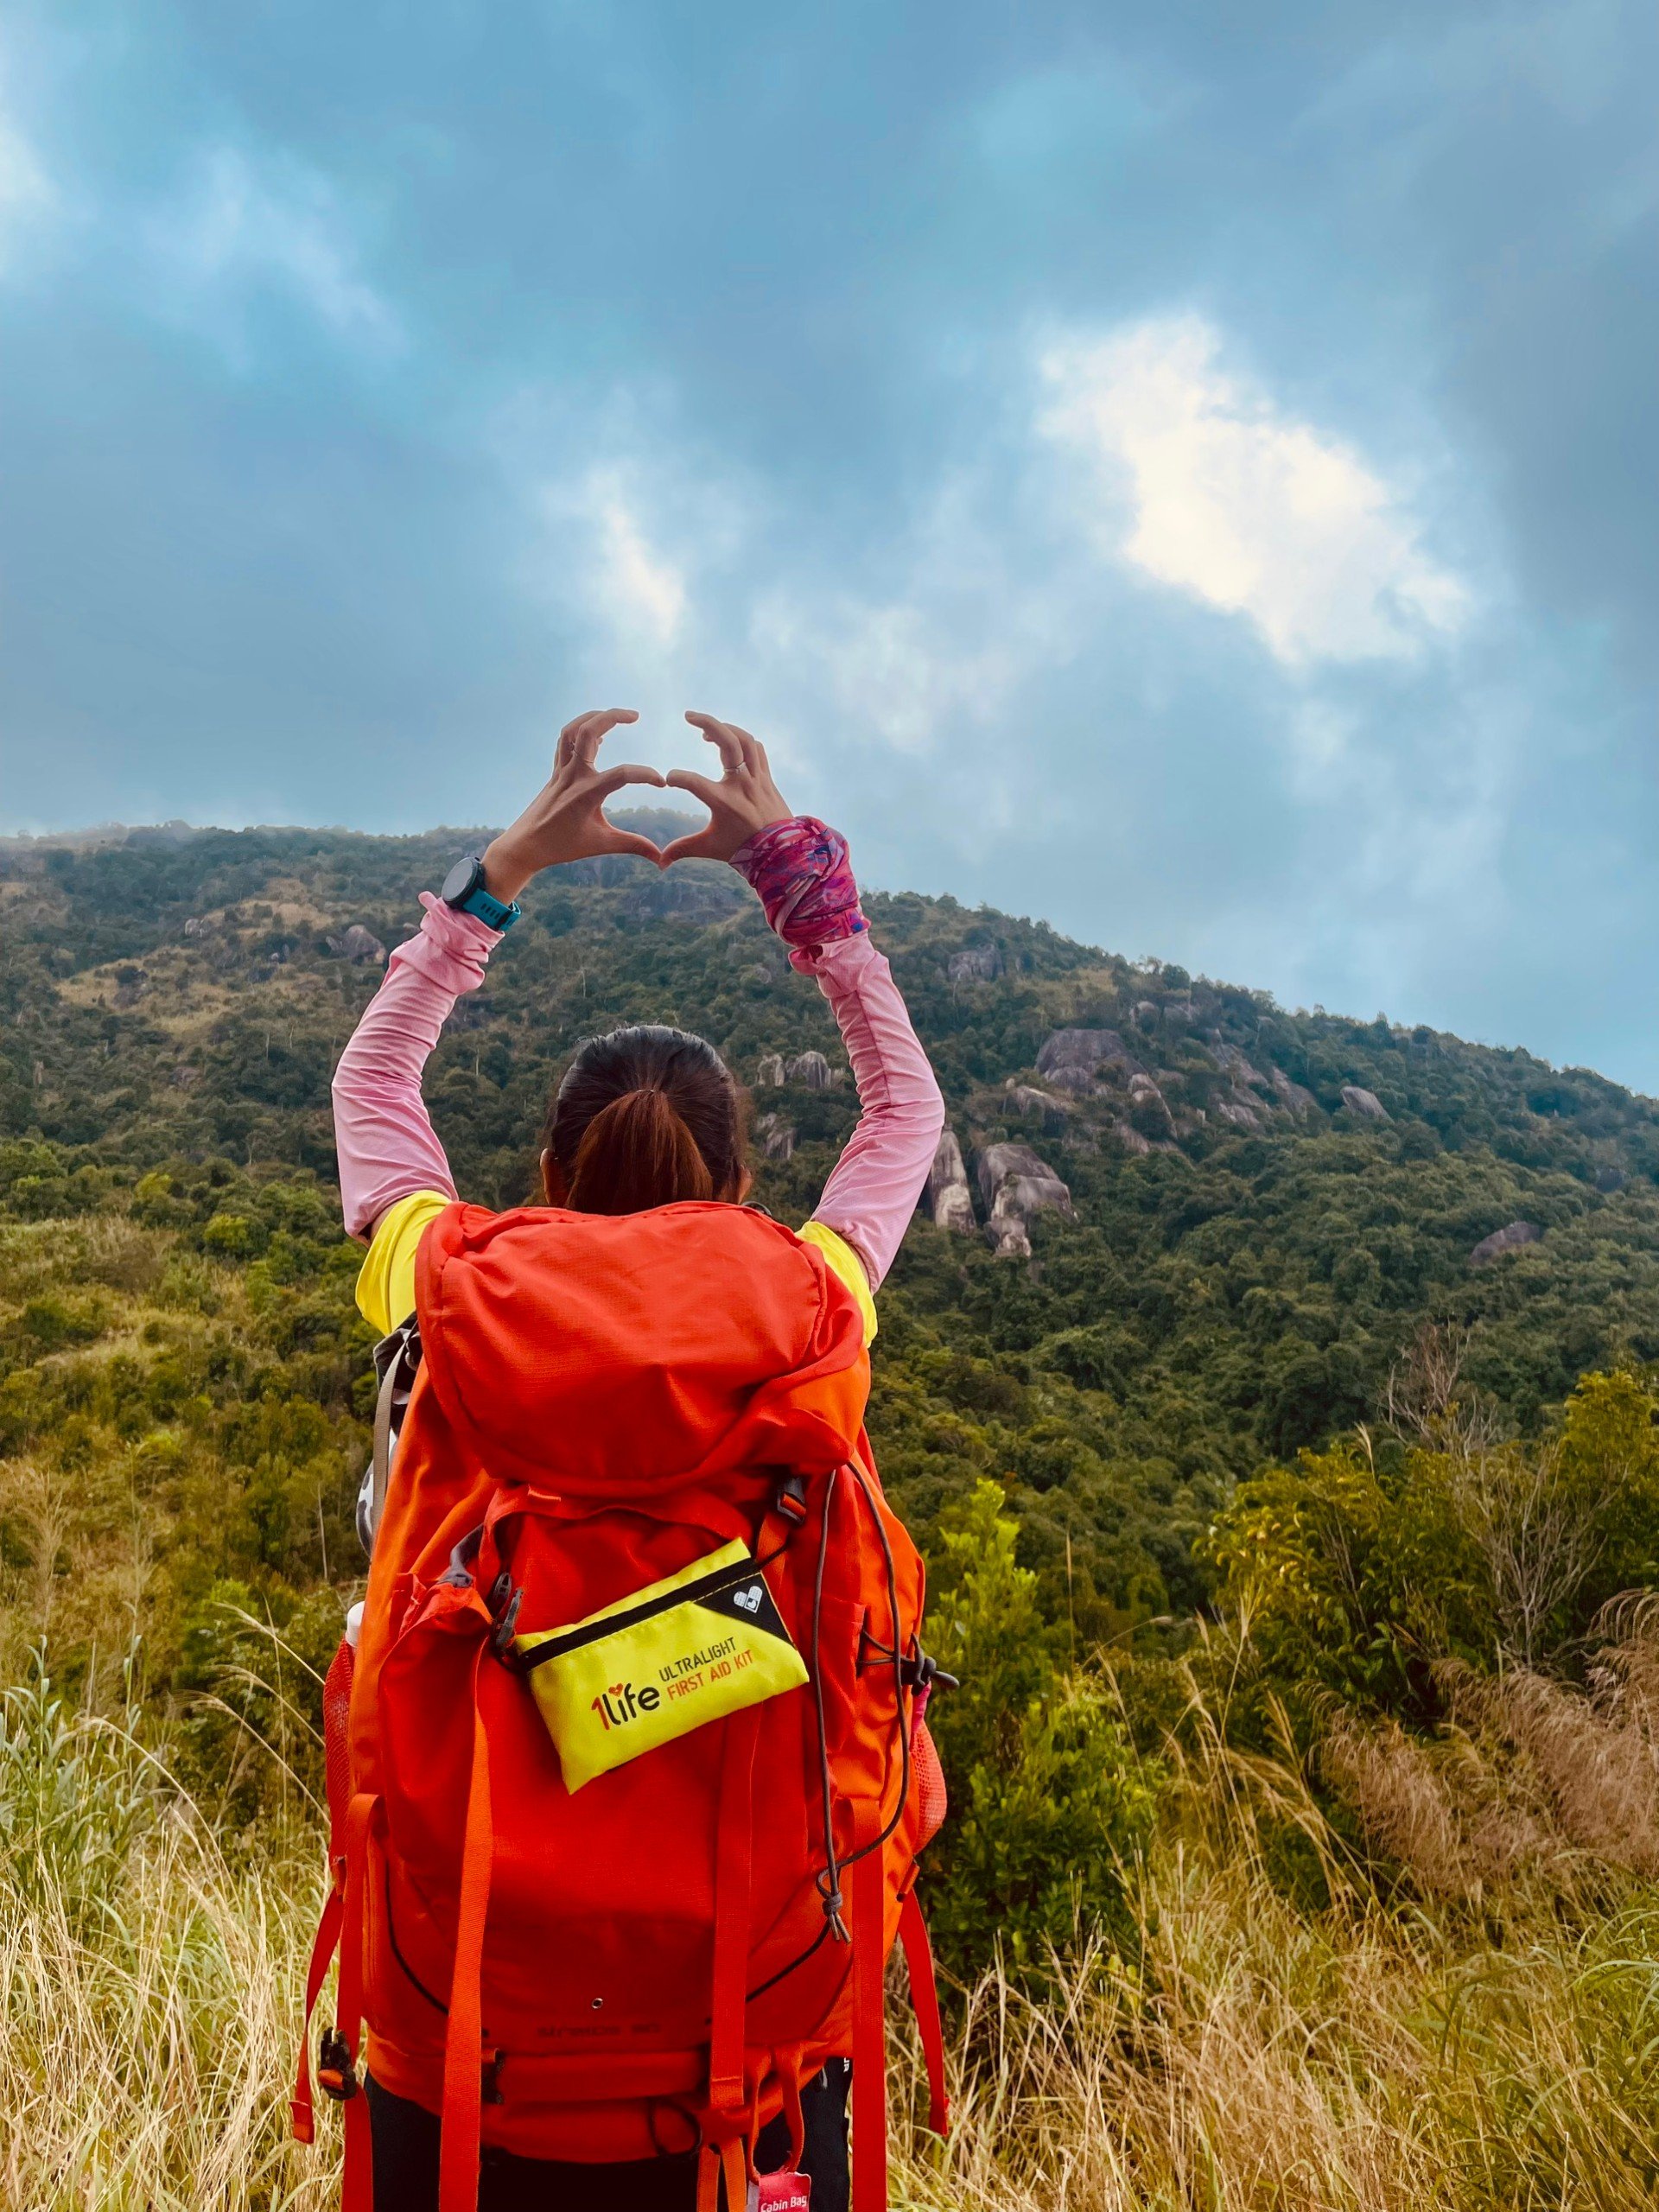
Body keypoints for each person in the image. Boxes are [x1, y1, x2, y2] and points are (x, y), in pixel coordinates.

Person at [329, 709, 946, 2211]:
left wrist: (499, 877)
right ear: (736, 1180)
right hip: (755, 2052)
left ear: (550, 1173)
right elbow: (905, 1112)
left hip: (461, 2043)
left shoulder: (442, 1290)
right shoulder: (814, 1305)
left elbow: (373, 1083)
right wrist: (806, 889)